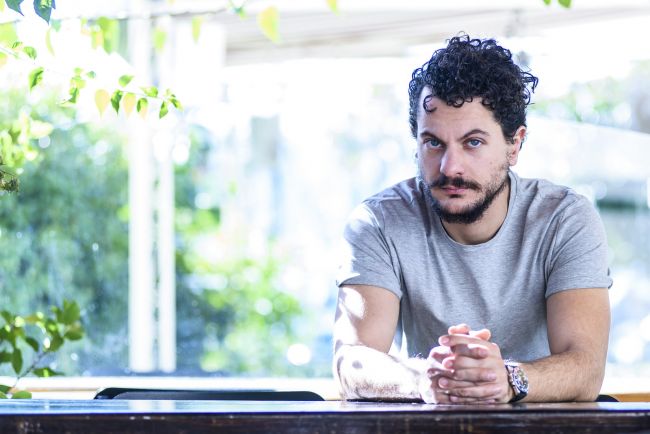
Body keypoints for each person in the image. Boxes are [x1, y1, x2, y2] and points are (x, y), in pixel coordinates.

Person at [333, 35, 612, 404]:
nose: (450, 167)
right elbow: (352, 362)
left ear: (515, 145)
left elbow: (586, 368)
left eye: (473, 142)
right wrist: (425, 379)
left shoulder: (564, 219)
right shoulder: (378, 222)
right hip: (428, 421)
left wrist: (506, 380)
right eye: (433, 143)